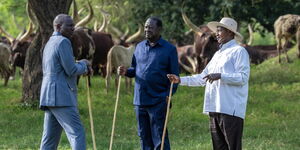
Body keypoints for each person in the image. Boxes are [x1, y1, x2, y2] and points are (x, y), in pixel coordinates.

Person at [167, 17, 250, 150]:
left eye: (220, 30)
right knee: (218, 147)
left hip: (230, 109)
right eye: (216, 30)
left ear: (230, 33)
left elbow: (243, 78)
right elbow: (202, 78)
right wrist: (180, 79)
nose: (216, 33)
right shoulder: (218, 54)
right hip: (214, 107)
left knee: (233, 147)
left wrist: (220, 76)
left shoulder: (239, 51)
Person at [118, 17, 179, 150]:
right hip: (140, 100)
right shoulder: (139, 47)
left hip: (159, 99)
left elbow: (175, 76)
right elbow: (135, 69)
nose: (147, 30)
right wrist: (125, 72)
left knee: (159, 138)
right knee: (143, 136)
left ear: (159, 29)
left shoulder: (169, 49)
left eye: (150, 27)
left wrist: (169, 95)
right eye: (146, 27)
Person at [39, 14, 92, 150]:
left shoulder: (49, 42)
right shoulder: (63, 42)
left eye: (73, 25)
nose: (73, 28)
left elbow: (60, 67)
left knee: (49, 140)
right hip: (61, 96)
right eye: (69, 25)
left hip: (49, 96)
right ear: (58, 26)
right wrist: (85, 65)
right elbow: (71, 69)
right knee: (77, 132)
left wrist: (79, 63)